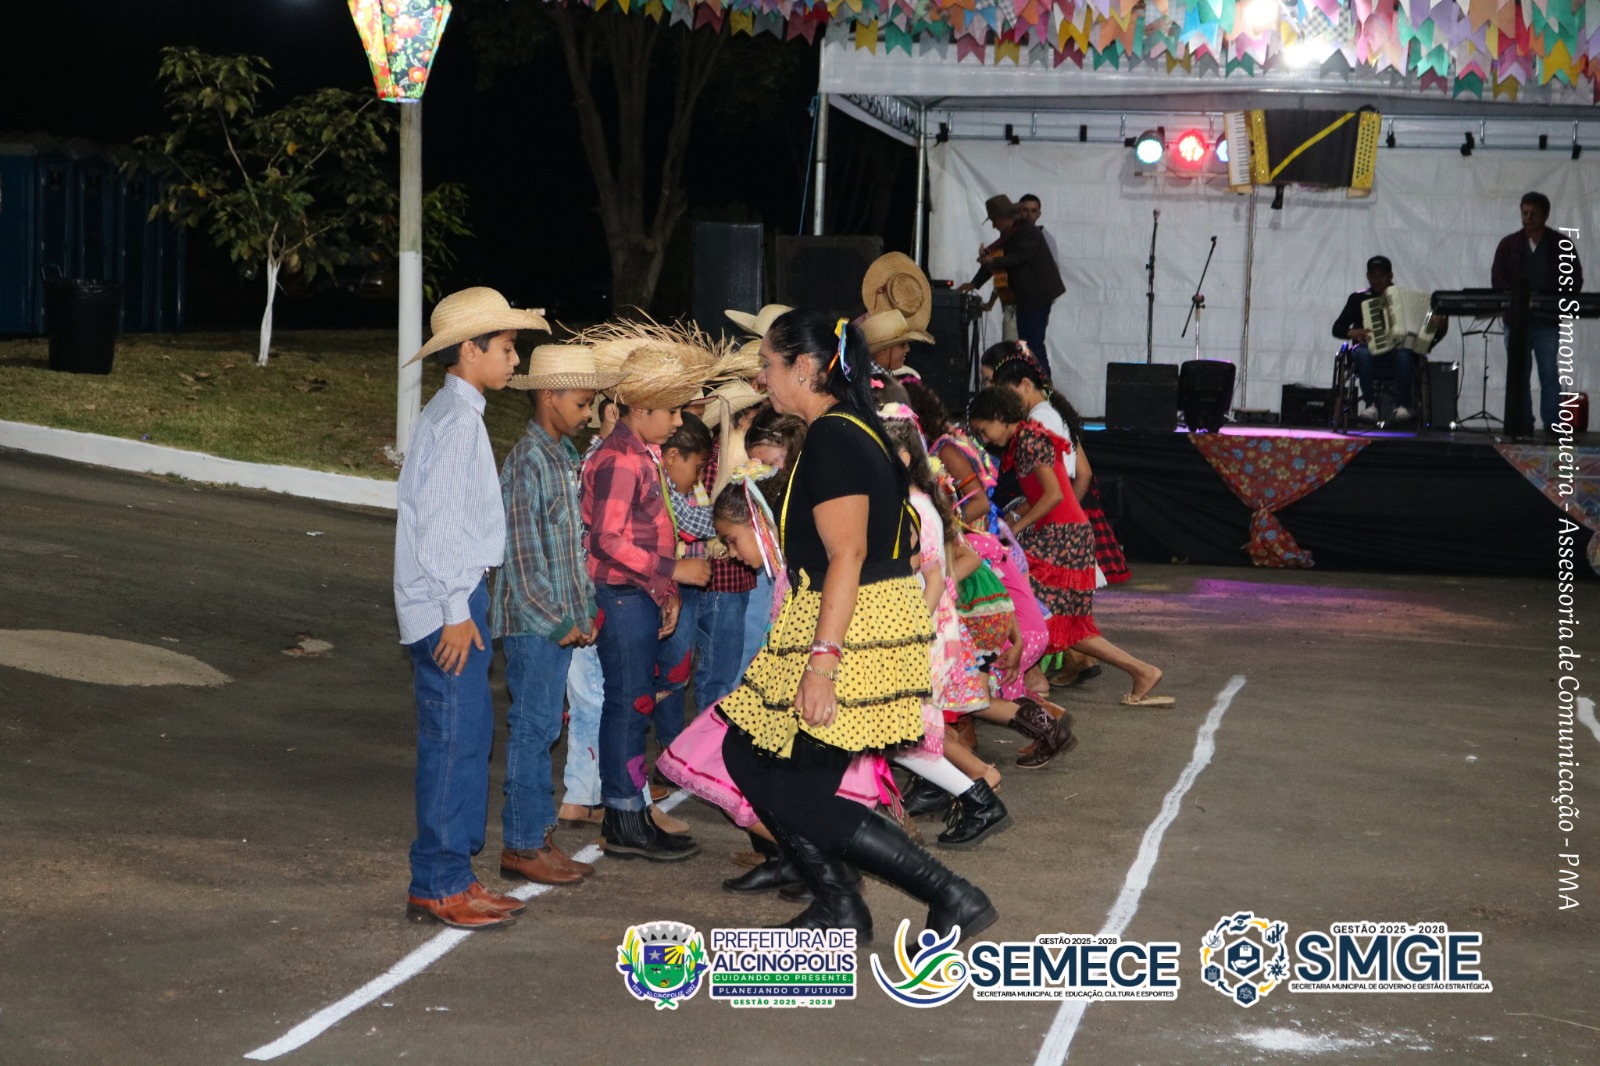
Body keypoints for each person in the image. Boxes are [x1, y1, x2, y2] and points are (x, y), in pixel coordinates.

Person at [717, 309, 997, 942]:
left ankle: (948, 893)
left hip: (854, 627)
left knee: (801, 789)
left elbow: (847, 553)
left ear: (806, 368)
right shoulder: (842, 429)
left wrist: (823, 662)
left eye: (768, 364)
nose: (761, 377)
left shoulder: (837, 437)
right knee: (749, 752)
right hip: (848, 616)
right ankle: (840, 900)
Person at [393, 287, 541, 930]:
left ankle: (452, 874)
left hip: (451, 597)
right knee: (455, 743)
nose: (514, 360)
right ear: (469, 350)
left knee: (466, 738)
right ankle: (438, 884)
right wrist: (456, 608)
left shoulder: (457, 415)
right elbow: (439, 529)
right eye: (506, 347)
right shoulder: (456, 423)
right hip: (447, 602)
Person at [493, 346, 625, 887]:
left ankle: (537, 837)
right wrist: (559, 621)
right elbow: (523, 561)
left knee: (544, 726)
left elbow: (570, 550)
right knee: (533, 729)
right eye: (581, 403)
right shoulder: (528, 461)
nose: (589, 414)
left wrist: (585, 610)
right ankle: (523, 844)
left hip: (557, 622)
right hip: (535, 627)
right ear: (549, 396)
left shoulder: (562, 456)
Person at [584, 346, 713, 861]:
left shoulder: (645, 454)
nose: (679, 421)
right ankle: (623, 815)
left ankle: (630, 813)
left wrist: (667, 590)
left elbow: (653, 530)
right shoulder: (621, 459)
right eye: (672, 410)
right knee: (629, 703)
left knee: (636, 703)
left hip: (638, 594)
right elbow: (606, 540)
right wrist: (673, 572)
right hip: (620, 597)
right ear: (640, 409)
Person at [968, 387, 1171, 708]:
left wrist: (1015, 529)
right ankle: (1138, 672)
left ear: (999, 417)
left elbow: (1053, 495)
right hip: (1061, 534)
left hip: (1060, 539)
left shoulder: (1030, 440)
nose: (984, 439)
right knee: (1062, 623)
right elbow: (1048, 491)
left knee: (1031, 608)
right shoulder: (1027, 438)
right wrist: (1014, 517)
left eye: (983, 430)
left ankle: (1034, 680)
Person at [1491, 191, 1585, 434]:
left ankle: (1553, 424)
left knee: (1549, 373)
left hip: (1547, 320)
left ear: (1545, 215)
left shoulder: (1561, 244)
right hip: (1516, 321)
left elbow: (1574, 279)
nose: (1528, 218)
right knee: (1519, 374)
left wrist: (1555, 301)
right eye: (1525, 213)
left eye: (1533, 213)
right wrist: (1512, 300)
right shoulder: (1509, 244)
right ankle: (1523, 422)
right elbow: (1497, 278)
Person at [1330, 255, 1446, 423]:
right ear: (1367, 276)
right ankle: (1370, 406)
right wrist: (1352, 332)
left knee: (1404, 353)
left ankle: (1403, 406)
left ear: (1390, 276)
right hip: (1368, 350)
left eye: (1382, 275)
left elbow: (1427, 337)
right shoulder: (1358, 299)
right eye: (1373, 275)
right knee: (1362, 353)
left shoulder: (1403, 297)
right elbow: (1337, 328)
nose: (1377, 280)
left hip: (1396, 352)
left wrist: (1439, 327)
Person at [961, 195, 1065, 376]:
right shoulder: (1011, 234)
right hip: (1025, 297)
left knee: (1034, 346)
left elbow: (1021, 256)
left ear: (1002, 217)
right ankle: (1035, 381)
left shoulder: (1028, 232)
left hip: (1037, 296)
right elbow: (996, 258)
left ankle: (1046, 387)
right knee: (1025, 345)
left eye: (994, 221)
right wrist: (975, 283)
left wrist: (992, 261)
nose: (993, 226)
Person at [861, 308, 932, 379]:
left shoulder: (866, 375)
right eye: (902, 344)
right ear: (884, 349)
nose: (907, 349)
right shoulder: (870, 382)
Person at [1017, 194, 1061, 270]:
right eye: (1025, 210)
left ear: (1038, 214)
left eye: (1033, 211)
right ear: (1018, 212)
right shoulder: (1011, 234)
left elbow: (1053, 268)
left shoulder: (1046, 239)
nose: (1029, 214)